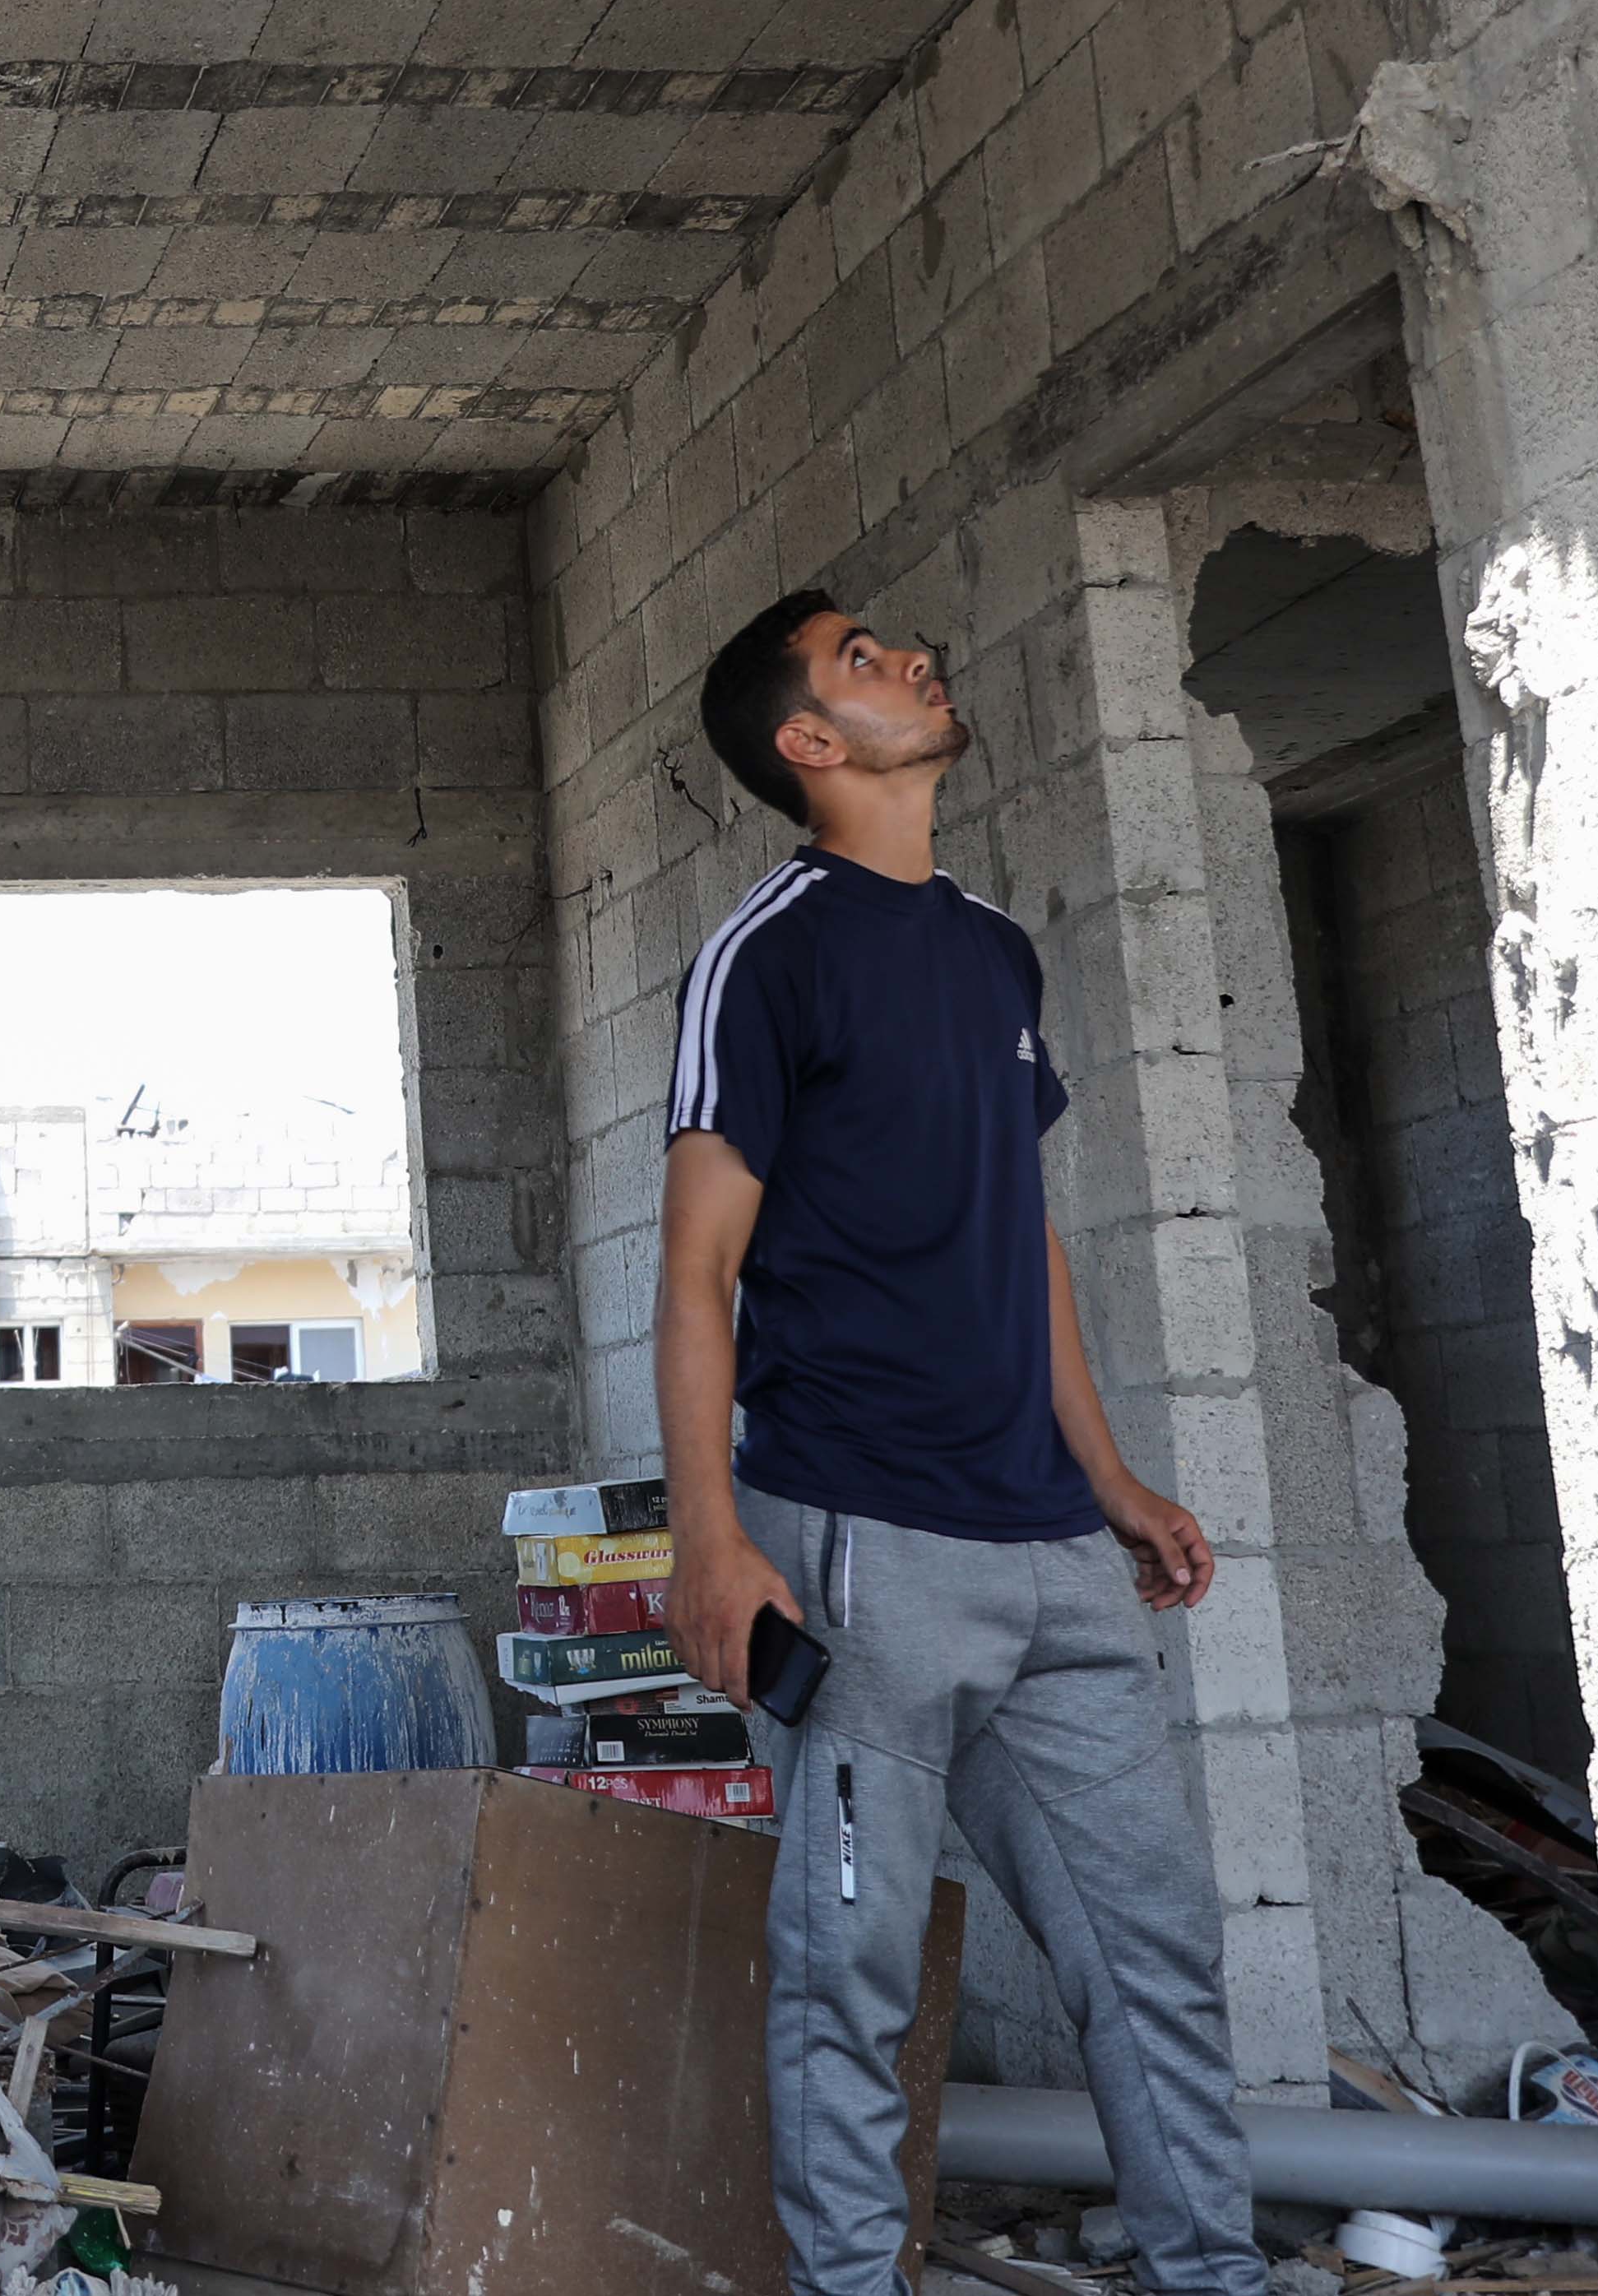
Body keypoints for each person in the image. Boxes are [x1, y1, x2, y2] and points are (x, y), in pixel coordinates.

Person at [652, 588, 1257, 2296]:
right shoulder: (766, 955)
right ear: (811, 744)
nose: (916, 656)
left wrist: (1112, 1472)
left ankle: (1212, 2268)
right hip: (862, 1544)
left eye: (901, 644)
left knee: (1155, 1951)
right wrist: (710, 1535)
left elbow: (1025, 1233)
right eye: (864, 659)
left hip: (1050, 1545)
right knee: (850, 1968)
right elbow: (699, 1269)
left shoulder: (994, 949)